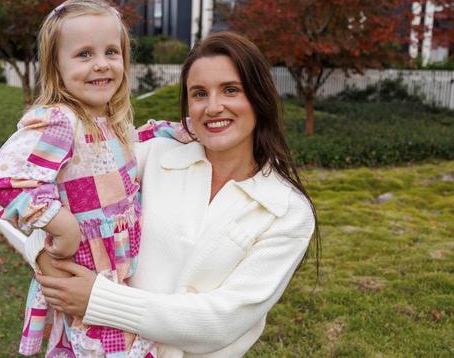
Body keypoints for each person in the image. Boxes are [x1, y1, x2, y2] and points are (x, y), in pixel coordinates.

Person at [34, 31, 320, 357]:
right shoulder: (148, 157)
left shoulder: (286, 210)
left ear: (259, 97)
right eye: (199, 93)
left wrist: (97, 301)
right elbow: (53, 207)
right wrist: (47, 257)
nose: (213, 107)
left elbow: (223, 321)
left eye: (230, 90)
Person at [0, 0, 182, 357]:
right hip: (87, 270)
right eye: (84, 54)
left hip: (117, 268)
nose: (102, 64)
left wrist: (176, 131)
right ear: (56, 67)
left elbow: (122, 151)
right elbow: (4, 182)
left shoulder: (109, 122)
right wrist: (63, 224)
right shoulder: (61, 122)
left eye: (111, 52)